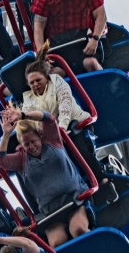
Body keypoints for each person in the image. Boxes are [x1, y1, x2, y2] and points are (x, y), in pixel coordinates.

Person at [21, 45, 116, 200]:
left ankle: (103, 182)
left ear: (46, 77)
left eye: (38, 80)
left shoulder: (56, 82)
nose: (35, 85)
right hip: (54, 135)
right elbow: (32, 120)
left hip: (74, 123)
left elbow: (65, 104)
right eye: (31, 83)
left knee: (78, 149)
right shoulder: (29, 98)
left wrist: (62, 127)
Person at [0, 108, 90, 247]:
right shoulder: (21, 159)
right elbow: (0, 161)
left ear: (39, 136)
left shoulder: (51, 140)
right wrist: (6, 134)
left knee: (78, 229)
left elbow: (49, 118)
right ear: (21, 145)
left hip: (74, 198)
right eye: (26, 144)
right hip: (52, 211)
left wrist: (22, 115)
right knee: (57, 243)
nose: (32, 146)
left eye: (33, 141)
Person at [29, 0, 106, 73]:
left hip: (82, 41)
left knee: (92, 63)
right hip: (57, 46)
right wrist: (42, 54)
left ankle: (104, 84)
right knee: (55, 73)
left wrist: (95, 39)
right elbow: (38, 26)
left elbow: (101, 15)